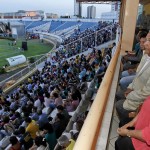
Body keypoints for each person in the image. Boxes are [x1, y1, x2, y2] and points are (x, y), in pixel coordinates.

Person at [116, 32, 150, 126]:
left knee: (119, 105)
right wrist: (130, 87)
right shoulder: (146, 56)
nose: (145, 44)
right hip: (136, 90)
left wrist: (129, 95)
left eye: (149, 41)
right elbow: (137, 76)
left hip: (142, 98)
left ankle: (131, 125)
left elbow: (146, 93)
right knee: (118, 94)